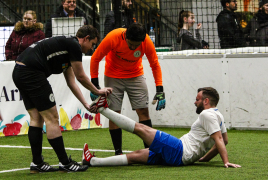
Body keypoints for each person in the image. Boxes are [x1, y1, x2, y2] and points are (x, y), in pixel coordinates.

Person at [12, 25, 112, 173]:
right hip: (31, 72)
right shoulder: (74, 46)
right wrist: (97, 91)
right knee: (52, 118)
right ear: (86, 39)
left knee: (36, 118)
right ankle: (65, 163)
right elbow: (81, 77)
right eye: (92, 44)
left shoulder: (66, 47)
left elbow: (72, 82)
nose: (92, 48)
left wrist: (85, 103)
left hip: (19, 72)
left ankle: (37, 163)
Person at [83, 87, 241, 168]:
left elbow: (219, 139)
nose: (195, 102)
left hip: (179, 150)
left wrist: (225, 161)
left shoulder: (207, 115)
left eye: (197, 99)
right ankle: (93, 162)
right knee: (137, 155)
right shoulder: (218, 115)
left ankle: (103, 108)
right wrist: (205, 158)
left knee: (141, 128)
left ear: (206, 101)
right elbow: (225, 140)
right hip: (181, 156)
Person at [90, 22, 165, 155]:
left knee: (143, 111)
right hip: (113, 76)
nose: (132, 47)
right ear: (125, 37)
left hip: (136, 76)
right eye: (130, 44)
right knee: (114, 113)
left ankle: (150, 151)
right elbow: (95, 58)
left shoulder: (146, 41)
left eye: (136, 46)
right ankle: (118, 152)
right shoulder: (113, 37)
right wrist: (94, 85)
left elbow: (155, 64)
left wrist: (160, 90)